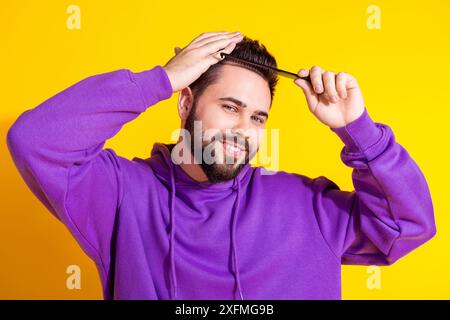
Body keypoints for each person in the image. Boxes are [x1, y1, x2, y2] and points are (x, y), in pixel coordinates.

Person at [6, 31, 436, 300]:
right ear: (187, 102)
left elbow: (409, 227)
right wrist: (161, 79)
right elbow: (36, 140)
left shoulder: (307, 205)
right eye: (230, 107)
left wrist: (357, 130)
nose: (243, 130)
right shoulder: (121, 194)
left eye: (257, 117)